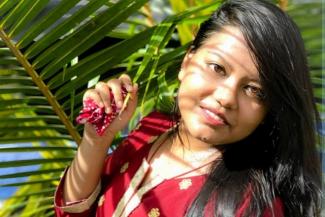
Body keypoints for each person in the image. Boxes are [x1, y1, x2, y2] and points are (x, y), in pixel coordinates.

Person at [54, 0, 322, 216]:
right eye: (217, 68)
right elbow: (75, 210)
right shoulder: (153, 127)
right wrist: (96, 140)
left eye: (254, 90)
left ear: (269, 110)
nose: (226, 97)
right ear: (186, 62)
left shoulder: (248, 207)